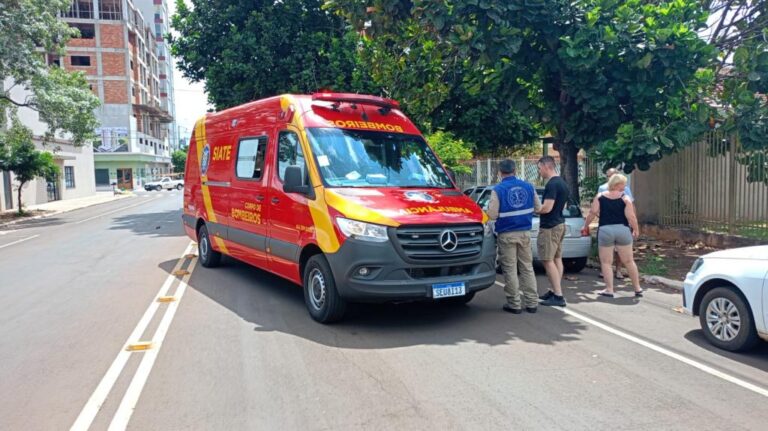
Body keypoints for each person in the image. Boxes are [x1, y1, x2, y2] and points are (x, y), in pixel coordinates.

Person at [487, 160, 542, 314]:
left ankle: (514, 304)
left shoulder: (498, 189)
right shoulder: (529, 186)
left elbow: (492, 214)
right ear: (515, 170)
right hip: (525, 233)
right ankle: (532, 303)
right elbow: (538, 208)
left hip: (506, 233)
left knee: (510, 269)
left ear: (500, 172)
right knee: (527, 267)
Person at [583, 173, 643, 298]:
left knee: (606, 262)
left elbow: (593, 212)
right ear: (617, 184)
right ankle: (637, 288)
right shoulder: (625, 198)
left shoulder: (600, 196)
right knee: (629, 260)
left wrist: (585, 226)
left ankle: (609, 289)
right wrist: (636, 229)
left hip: (605, 230)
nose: (625, 185)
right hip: (623, 230)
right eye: (623, 183)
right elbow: (631, 217)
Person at [536, 156, 570, 307]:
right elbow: (563, 206)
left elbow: (547, 207)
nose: (539, 171)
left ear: (546, 166)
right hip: (560, 223)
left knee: (547, 260)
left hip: (549, 226)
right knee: (557, 259)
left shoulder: (551, 184)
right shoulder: (563, 183)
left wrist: (536, 209)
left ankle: (558, 295)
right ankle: (554, 290)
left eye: (539, 168)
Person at [596, 168, 634, 280]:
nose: (610, 178)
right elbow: (596, 206)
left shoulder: (625, 189)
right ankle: (605, 271)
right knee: (607, 249)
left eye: (612, 175)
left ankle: (618, 270)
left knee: (621, 250)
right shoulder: (602, 188)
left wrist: (633, 222)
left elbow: (631, 205)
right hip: (607, 223)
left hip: (622, 222)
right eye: (608, 176)